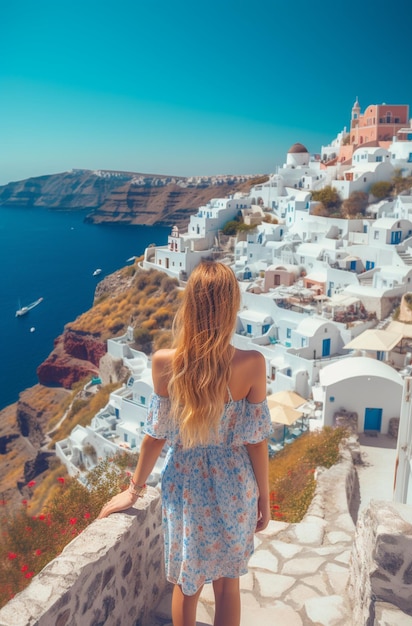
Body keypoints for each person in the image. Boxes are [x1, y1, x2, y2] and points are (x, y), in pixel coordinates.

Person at [98, 261, 272, 626]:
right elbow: (256, 443)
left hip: (186, 483)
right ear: (231, 307)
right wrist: (264, 499)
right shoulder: (253, 363)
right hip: (235, 482)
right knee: (228, 585)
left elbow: (155, 437)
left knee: (186, 582)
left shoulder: (165, 363)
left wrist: (134, 490)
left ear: (190, 305)